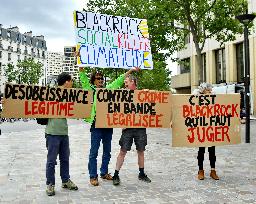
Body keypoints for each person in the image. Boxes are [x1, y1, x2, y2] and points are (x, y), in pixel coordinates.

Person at [79, 64, 139, 186]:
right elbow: (83, 78)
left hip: (107, 125)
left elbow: (119, 80)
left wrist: (131, 70)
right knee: (94, 152)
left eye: (102, 78)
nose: (100, 80)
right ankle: (93, 176)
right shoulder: (90, 89)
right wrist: (80, 63)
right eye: (98, 78)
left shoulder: (108, 89)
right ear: (93, 80)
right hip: (96, 125)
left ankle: (104, 172)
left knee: (107, 151)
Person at [112, 74, 151, 185]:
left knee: (141, 151)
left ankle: (141, 173)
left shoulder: (142, 94)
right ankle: (116, 174)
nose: (125, 83)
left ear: (133, 82)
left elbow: (149, 107)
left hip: (140, 127)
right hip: (127, 128)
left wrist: (148, 95)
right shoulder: (122, 94)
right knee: (122, 151)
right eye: (125, 82)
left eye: (127, 81)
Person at [45, 72, 78, 196]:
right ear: (66, 82)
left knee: (65, 159)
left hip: (64, 132)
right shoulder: (51, 93)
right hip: (52, 132)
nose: (73, 83)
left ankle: (65, 180)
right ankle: (50, 184)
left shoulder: (70, 95)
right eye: (72, 81)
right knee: (51, 161)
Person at [193, 83, 219, 180]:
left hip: (211, 129)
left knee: (212, 151)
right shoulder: (197, 99)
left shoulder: (214, 99)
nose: (208, 92)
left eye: (209, 91)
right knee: (201, 151)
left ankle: (213, 170)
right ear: (202, 91)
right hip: (201, 129)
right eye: (206, 91)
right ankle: (201, 171)